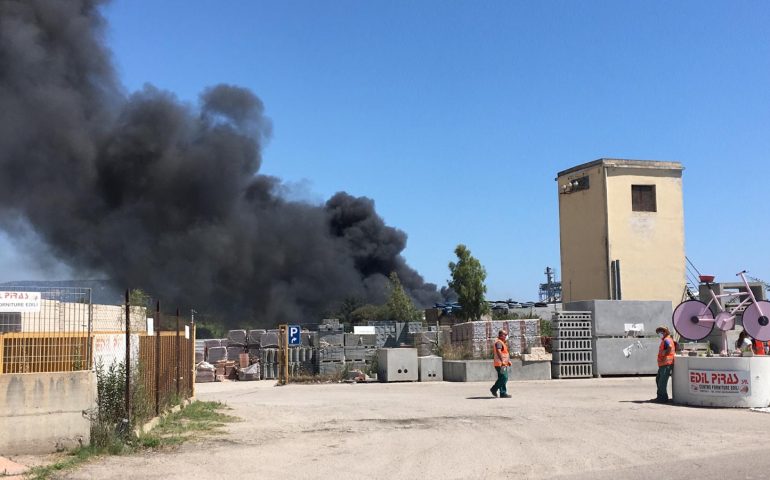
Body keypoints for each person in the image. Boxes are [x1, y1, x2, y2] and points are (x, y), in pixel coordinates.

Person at [653, 326, 675, 403]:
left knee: (662, 381)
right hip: (663, 364)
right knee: (658, 379)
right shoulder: (666, 339)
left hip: (666, 364)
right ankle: (662, 396)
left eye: (660, 332)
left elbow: (669, 347)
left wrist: (665, 353)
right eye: (658, 333)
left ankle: (662, 398)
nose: (659, 334)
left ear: (665, 332)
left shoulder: (666, 340)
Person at [490, 329, 512, 398]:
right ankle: (494, 389)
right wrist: (502, 361)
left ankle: (503, 393)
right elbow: (499, 352)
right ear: (501, 335)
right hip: (500, 364)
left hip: (502, 363)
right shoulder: (499, 342)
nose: (506, 336)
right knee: (504, 377)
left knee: (501, 378)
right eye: (505, 335)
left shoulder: (502, 342)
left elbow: (504, 353)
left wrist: (507, 361)